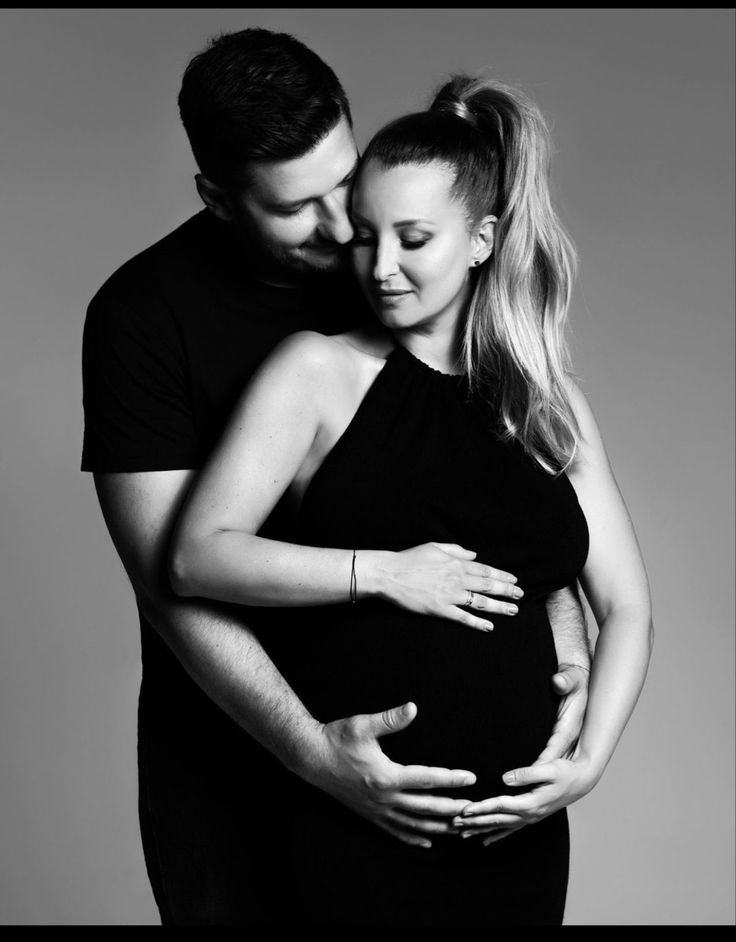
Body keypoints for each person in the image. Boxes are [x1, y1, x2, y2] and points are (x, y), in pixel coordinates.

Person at [81, 28, 592, 925]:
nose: (339, 230)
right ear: (217, 198)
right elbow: (178, 585)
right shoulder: (142, 318)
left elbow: (497, 471)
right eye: (295, 208)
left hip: (441, 810)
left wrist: (559, 622)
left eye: (341, 183)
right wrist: (316, 755)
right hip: (232, 761)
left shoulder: (382, 260)